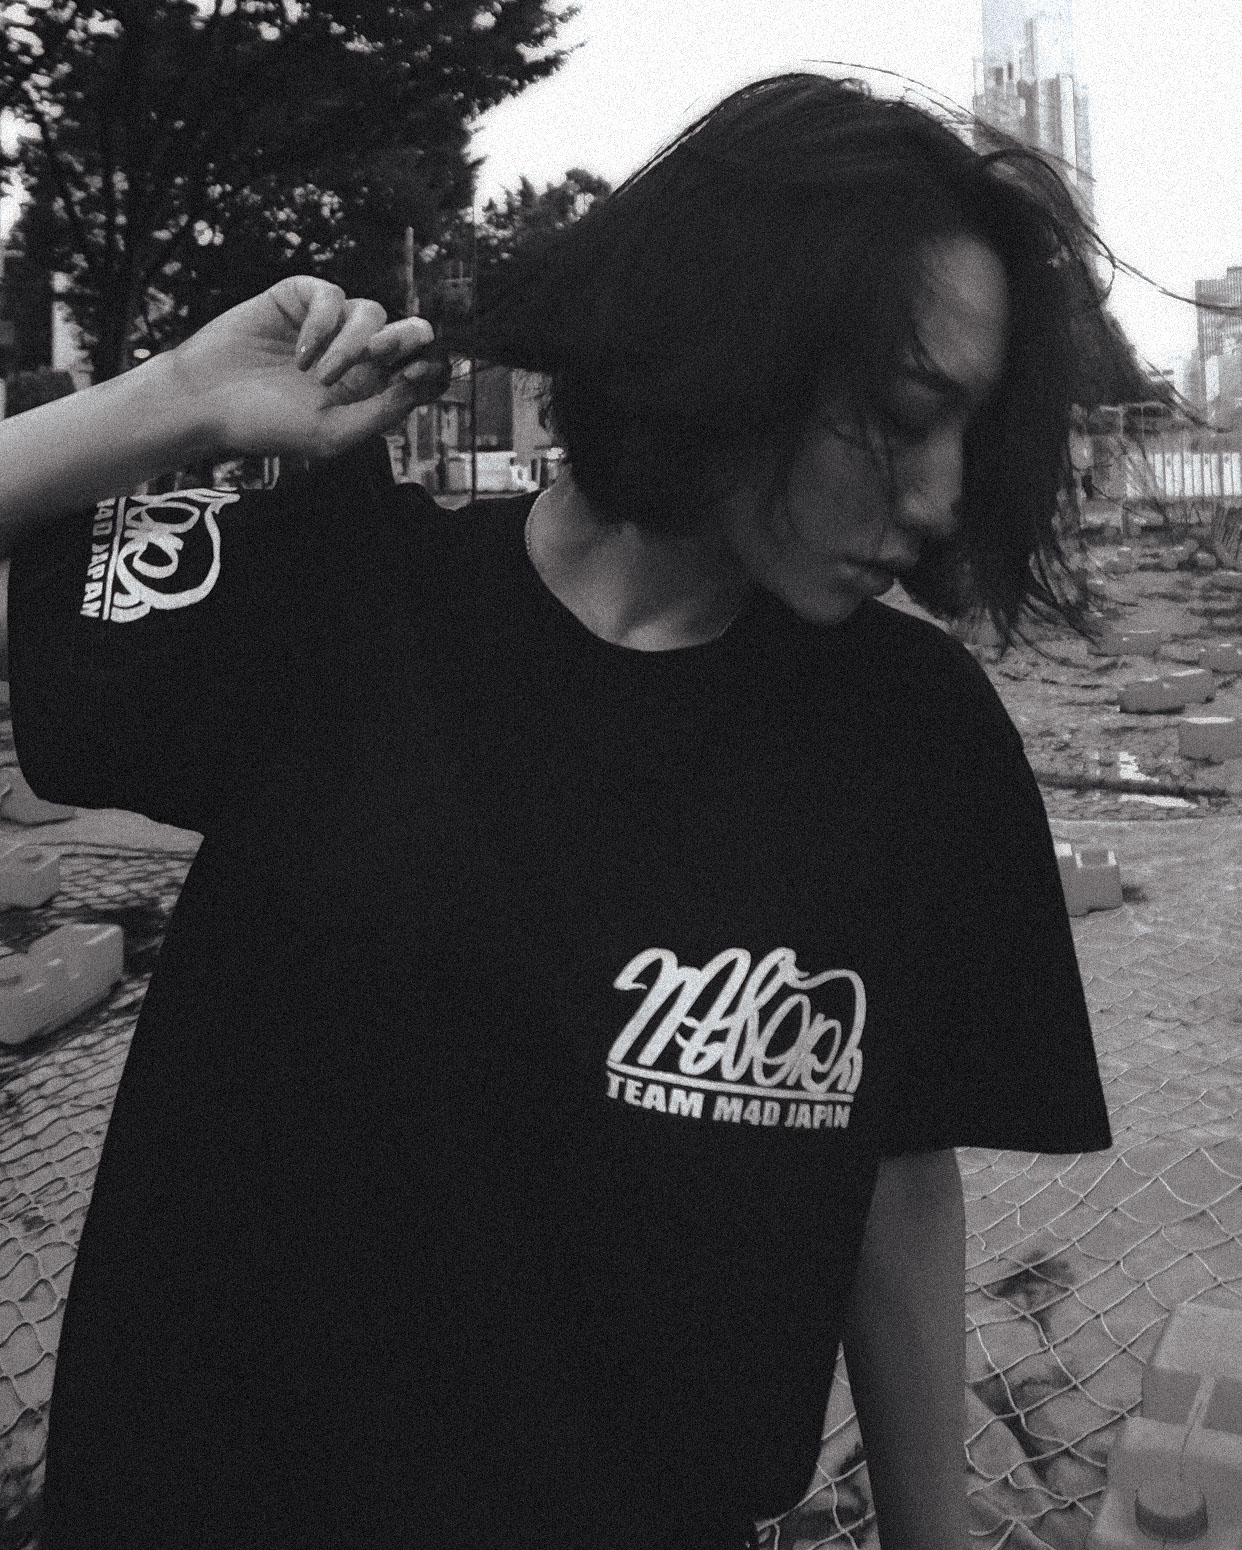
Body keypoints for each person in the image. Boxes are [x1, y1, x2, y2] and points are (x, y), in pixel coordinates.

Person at [0, 73, 1130, 1550]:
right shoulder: (344, 595)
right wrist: (177, 400)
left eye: (969, 433)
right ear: (733, 340)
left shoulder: (915, 742)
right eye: (901, 417)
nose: (937, 499)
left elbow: (895, 1175)